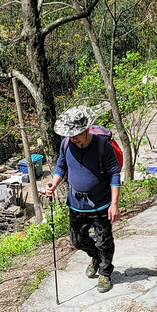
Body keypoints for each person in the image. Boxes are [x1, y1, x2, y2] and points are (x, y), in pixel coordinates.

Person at [42, 105, 121, 292]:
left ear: (86, 129)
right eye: (70, 135)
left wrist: (114, 204)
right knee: (77, 240)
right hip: (76, 204)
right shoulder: (66, 144)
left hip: (101, 204)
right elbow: (61, 167)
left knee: (104, 240)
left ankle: (105, 272)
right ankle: (98, 258)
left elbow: (114, 174)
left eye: (77, 134)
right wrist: (53, 184)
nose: (74, 138)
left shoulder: (103, 146)